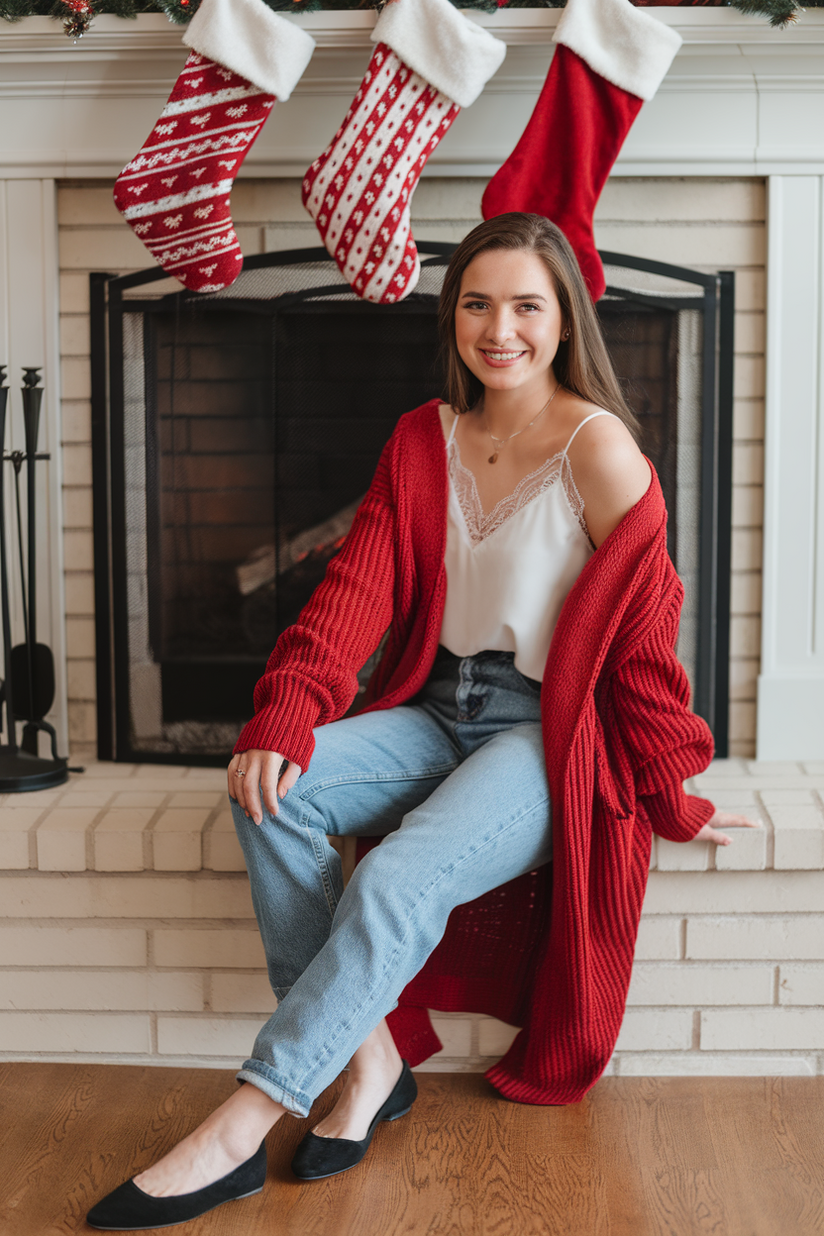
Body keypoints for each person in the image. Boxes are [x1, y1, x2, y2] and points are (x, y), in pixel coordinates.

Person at [87, 213, 759, 1230]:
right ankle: (370, 1059)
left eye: (526, 305)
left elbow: (642, 644)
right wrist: (282, 719)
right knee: (273, 794)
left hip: (546, 733)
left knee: (397, 873)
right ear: (451, 317)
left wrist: (668, 787)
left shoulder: (599, 449)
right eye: (477, 304)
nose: (500, 329)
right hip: (437, 705)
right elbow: (348, 597)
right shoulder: (421, 439)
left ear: (563, 319)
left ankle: (245, 1117)